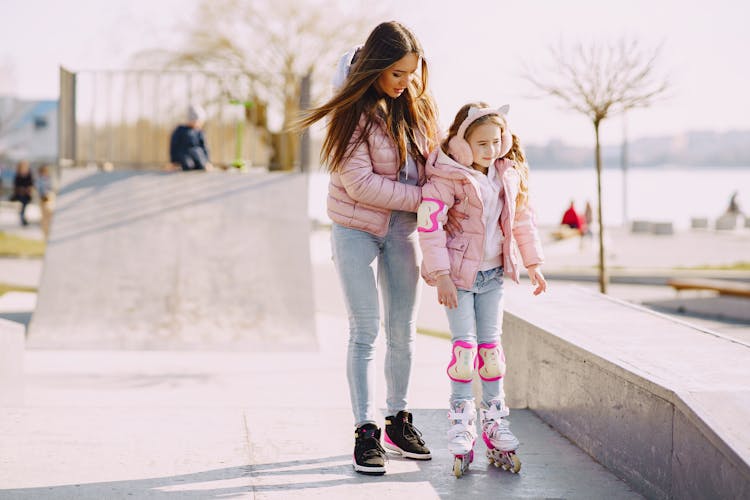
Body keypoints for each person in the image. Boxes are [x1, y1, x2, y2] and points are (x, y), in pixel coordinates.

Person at [297, 21, 440, 475]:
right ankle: (365, 431)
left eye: (411, 73)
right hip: (354, 228)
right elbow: (358, 184)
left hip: (402, 230)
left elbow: (433, 164)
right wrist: (424, 199)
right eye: (397, 73)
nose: (406, 83)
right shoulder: (350, 112)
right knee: (365, 330)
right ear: (376, 67)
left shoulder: (418, 109)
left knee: (403, 328)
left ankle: (397, 420)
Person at [417, 103, 547, 476]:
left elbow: (522, 219)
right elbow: (430, 229)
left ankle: (494, 420)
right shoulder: (446, 177)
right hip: (458, 278)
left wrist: (533, 263)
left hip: (492, 277)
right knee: (464, 351)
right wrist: (441, 275)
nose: (490, 150)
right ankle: (461, 422)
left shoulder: (506, 175)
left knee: (491, 353)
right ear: (461, 144)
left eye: (496, 142)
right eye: (482, 143)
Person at [169, 104, 213, 171]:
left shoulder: (199, 132)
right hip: (184, 154)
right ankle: (179, 166)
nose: (199, 123)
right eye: (197, 121)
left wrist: (208, 161)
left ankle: (203, 165)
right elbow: (174, 146)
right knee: (188, 165)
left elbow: (205, 147)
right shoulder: (180, 130)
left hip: (198, 154)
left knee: (201, 164)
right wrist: (173, 161)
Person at [11, 160, 34, 226]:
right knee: (22, 206)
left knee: (24, 206)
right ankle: (23, 218)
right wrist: (20, 189)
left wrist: (27, 189)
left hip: (26, 194)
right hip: (19, 194)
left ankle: (23, 218)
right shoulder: (18, 175)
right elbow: (15, 185)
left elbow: (31, 184)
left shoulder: (29, 174)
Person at [36, 164, 55, 239]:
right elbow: (39, 189)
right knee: (44, 218)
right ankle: (45, 234)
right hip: (43, 199)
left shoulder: (49, 179)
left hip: (49, 198)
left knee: (49, 216)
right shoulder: (39, 180)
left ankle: (48, 233)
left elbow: (51, 188)